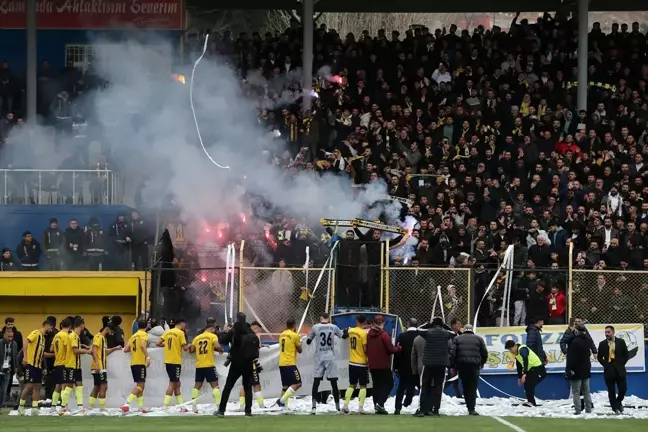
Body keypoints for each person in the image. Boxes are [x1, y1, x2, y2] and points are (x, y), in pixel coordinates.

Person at [214, 312, 260, 418]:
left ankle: (221, 410)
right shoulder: (250, 330)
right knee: (247, 387)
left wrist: (223, 332)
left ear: (237, 319)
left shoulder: (235, 329)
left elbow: (224, 341)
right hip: (248, 363)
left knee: (228, 386)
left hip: (236, 362)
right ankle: (248, 411)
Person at [306, 313, 345, 414]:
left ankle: (313, 407)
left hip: (319, 357)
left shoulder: (315, 327)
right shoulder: (334, 327)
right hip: (330, 357)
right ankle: (337, 408)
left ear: (320, 318)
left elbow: (308, 341)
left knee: (316, 382)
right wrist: (347, 332)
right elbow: (343, 336)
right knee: (334, 383)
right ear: (328, 319)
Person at [450, 324, 488, 416]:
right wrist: (481, 363)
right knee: (472, 387)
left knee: (465, 386)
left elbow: (452, 353)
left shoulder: (457, 339)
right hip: (474, 366)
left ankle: (468, 405)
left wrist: (453, 366)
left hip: (462, 366)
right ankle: (472, 408)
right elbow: (484, 353)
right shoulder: (479, 339)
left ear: (464, 330)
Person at [367, 314, 400, 415]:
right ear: (383, 323)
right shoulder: (384, 335)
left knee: (376, 385)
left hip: (373, 365)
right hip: (383, 364)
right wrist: (398, 348)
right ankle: (380, 403)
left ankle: (376, 404)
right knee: (389, 384)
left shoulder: (369, 334)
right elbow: (391, 349)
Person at [418, 317, 451, 417]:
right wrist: (445, 326)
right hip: (441, 363)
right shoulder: (446, 333)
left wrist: (428, 324)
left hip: (428, 363)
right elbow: (454, 332)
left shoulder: (428, 332)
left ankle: (423, 409)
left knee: (425, 386)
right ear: (442, 324)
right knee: (438, 387)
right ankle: (436, 410)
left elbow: (418, 329)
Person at [18, 320, 53, 415]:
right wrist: (25, 356)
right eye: (51, 327)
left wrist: (55, 355)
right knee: (29, 386)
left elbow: (42, 354)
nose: (51, 329)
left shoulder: (43, 338)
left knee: (38, 386)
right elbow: (26, 341)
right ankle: (21, 406)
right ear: (46, 325)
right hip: (31, 364)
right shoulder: (36, 333)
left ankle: (34, 408)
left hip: (38, 366)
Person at [189, 321, 223, 413]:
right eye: (214, 330)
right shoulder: (212, 336)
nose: (214, 332)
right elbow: (216, 345)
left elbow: (191, 350)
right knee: (215, 386)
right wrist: (220, 349)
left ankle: (194, 406)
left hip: (199, 365)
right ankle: (219, 406)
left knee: (197, 386)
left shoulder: (197, 338)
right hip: (209, 365)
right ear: (211, 329)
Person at [157, 318, 190, 410]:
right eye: (184, 325)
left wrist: (166, 345)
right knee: (173, 383)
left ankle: (181, 405)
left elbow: (158, 343)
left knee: (177, 383)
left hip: (168, 360)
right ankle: (165, 405)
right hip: (175, 361)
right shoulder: (180, 333)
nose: (185, 326)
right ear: (181, 324)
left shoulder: (167, 332)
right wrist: (191, 346)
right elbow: (185, 348)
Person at [60, 317, 91, 413]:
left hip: (76, 365)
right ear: (82, 326)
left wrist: (82, 346)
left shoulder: (74, 336)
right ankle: (63, 406)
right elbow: (75, 350)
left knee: (79, 384)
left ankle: (80, 406)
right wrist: (87, 351)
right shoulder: (73, 336)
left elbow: (75, 347)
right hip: (71, 365)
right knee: (69, 385)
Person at [597, 325, 629, 415]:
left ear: (613, 332)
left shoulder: (621, 342)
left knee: (623, 389)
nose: (607, 334)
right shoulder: (602, 344)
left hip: (620, 370)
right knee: (611, 390)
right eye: (605, 332)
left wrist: (621, 364)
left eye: (608, 332)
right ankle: (614, 408)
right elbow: (599, 357)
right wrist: (606, 365)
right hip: (609, 371)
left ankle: (618, 402)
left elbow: (626, 355)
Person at [505, 340, 546, 407]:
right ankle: (530, 401)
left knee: (529, 383)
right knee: (527, 384)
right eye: (509, 350)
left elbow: (525, 359)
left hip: (538, 369)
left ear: (515, 346)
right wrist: (519, 377)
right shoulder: (517, 354)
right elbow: (519, 366)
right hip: (532, 369)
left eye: (511, 349)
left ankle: (531, 402)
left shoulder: (522, 349)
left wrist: (525, 374)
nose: (510, 351)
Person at [88, 323, 120, 411]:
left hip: (99, 366)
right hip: (99, 366)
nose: (111, 334)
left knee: (97, 386)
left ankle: (90, 406)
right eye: (111, 331)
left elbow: (104, 352)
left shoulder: (103, 339)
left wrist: (115, 348)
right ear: (107, 329)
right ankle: (102, 408)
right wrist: (97, 364)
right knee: (103, 386)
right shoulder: (99, 337)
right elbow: (93, 351)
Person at [121, 320, 150, 413]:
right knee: (141, 385)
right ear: (146, 326)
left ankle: (140, 407)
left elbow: (126, 349)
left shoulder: (133, 336)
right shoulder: (144, 334)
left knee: (140, 385)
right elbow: (142, 345)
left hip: (133, 363)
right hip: (140, 362)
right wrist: (147, 357)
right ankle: (127, 403)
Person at [342, 314, 368, 414]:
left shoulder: (351, 331)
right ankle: (360, 408)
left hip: (352, 362)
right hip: (361, 363)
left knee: (352, 384)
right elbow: (365, 348)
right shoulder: (363, 334)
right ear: (365, 323)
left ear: (357, 321)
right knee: (363, 386)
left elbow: (344, 335)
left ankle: (345, 406)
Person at [565, 324, 594, 415]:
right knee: (586, 390)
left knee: (576, 391)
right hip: (586, 368)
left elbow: (571, 358)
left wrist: (568, 369)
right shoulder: (588, 340)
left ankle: (578, 410)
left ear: (576, 331)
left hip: (576, 369)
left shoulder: (575, 342)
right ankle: (588, 409)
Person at [394, 318, 420, 414]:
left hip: (404, 366)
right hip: (417, 366)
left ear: (408, 324)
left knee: (401, 387)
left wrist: (396, 366)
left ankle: (397, 407)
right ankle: (417, 405)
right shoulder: (420, 336)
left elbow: (397, 353)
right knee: (417, 386)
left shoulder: (402, 336)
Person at [238, 321, 265, 410]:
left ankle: (241, 406)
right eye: (258, 330)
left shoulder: (243, 336)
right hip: (251, 364)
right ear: (255, 328)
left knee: (244, 384)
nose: (259, 332)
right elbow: (257, 346)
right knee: (256, 385)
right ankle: (261, 405)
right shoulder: (254, 336)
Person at [276, 318, 302, 408]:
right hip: (290, 363)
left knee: (285, 386)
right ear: (294, 325)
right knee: (298, 383)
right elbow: (300, 350)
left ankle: (283, 407)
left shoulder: (282, 334)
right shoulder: (295, 335)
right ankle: (281, 400)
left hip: (281, 363)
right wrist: (300, 341)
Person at [50, 318, 71, 410]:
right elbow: (68, 349)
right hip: (64, 363)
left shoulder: (56, 335)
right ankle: (64, 406)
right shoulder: (66, 336)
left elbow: (51, 349)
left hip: (57, 362)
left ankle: (53, 406)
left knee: (58, 385)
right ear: (70, 326)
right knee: (64, 384)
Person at [0, 327, 18, 415]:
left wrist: (15, 368)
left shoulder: (14, 344)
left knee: (3, 391)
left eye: (12, 337)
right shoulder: (0, 343)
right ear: (4, 335)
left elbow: (15, 357)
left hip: (8, 370)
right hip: (0, 368)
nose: (10, 338)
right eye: (9, 336)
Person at [444, 319, 464, 398]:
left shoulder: (460, 335)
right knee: (451, 377)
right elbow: (448, 348)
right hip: (451, 361)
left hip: (459, 361)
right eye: (458, 324)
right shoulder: (449, 336)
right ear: (453, 325)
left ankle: (458, 394)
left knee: (454, 378)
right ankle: (439, 391)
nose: (460, 326)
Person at [411, 327, 426, 416]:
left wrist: (414, 370)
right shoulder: (434, 338)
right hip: (434, 365)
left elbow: (413, 356)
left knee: (422, 387)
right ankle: (431, 408)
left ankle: (421, 408)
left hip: (421, 366)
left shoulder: (417, 339)